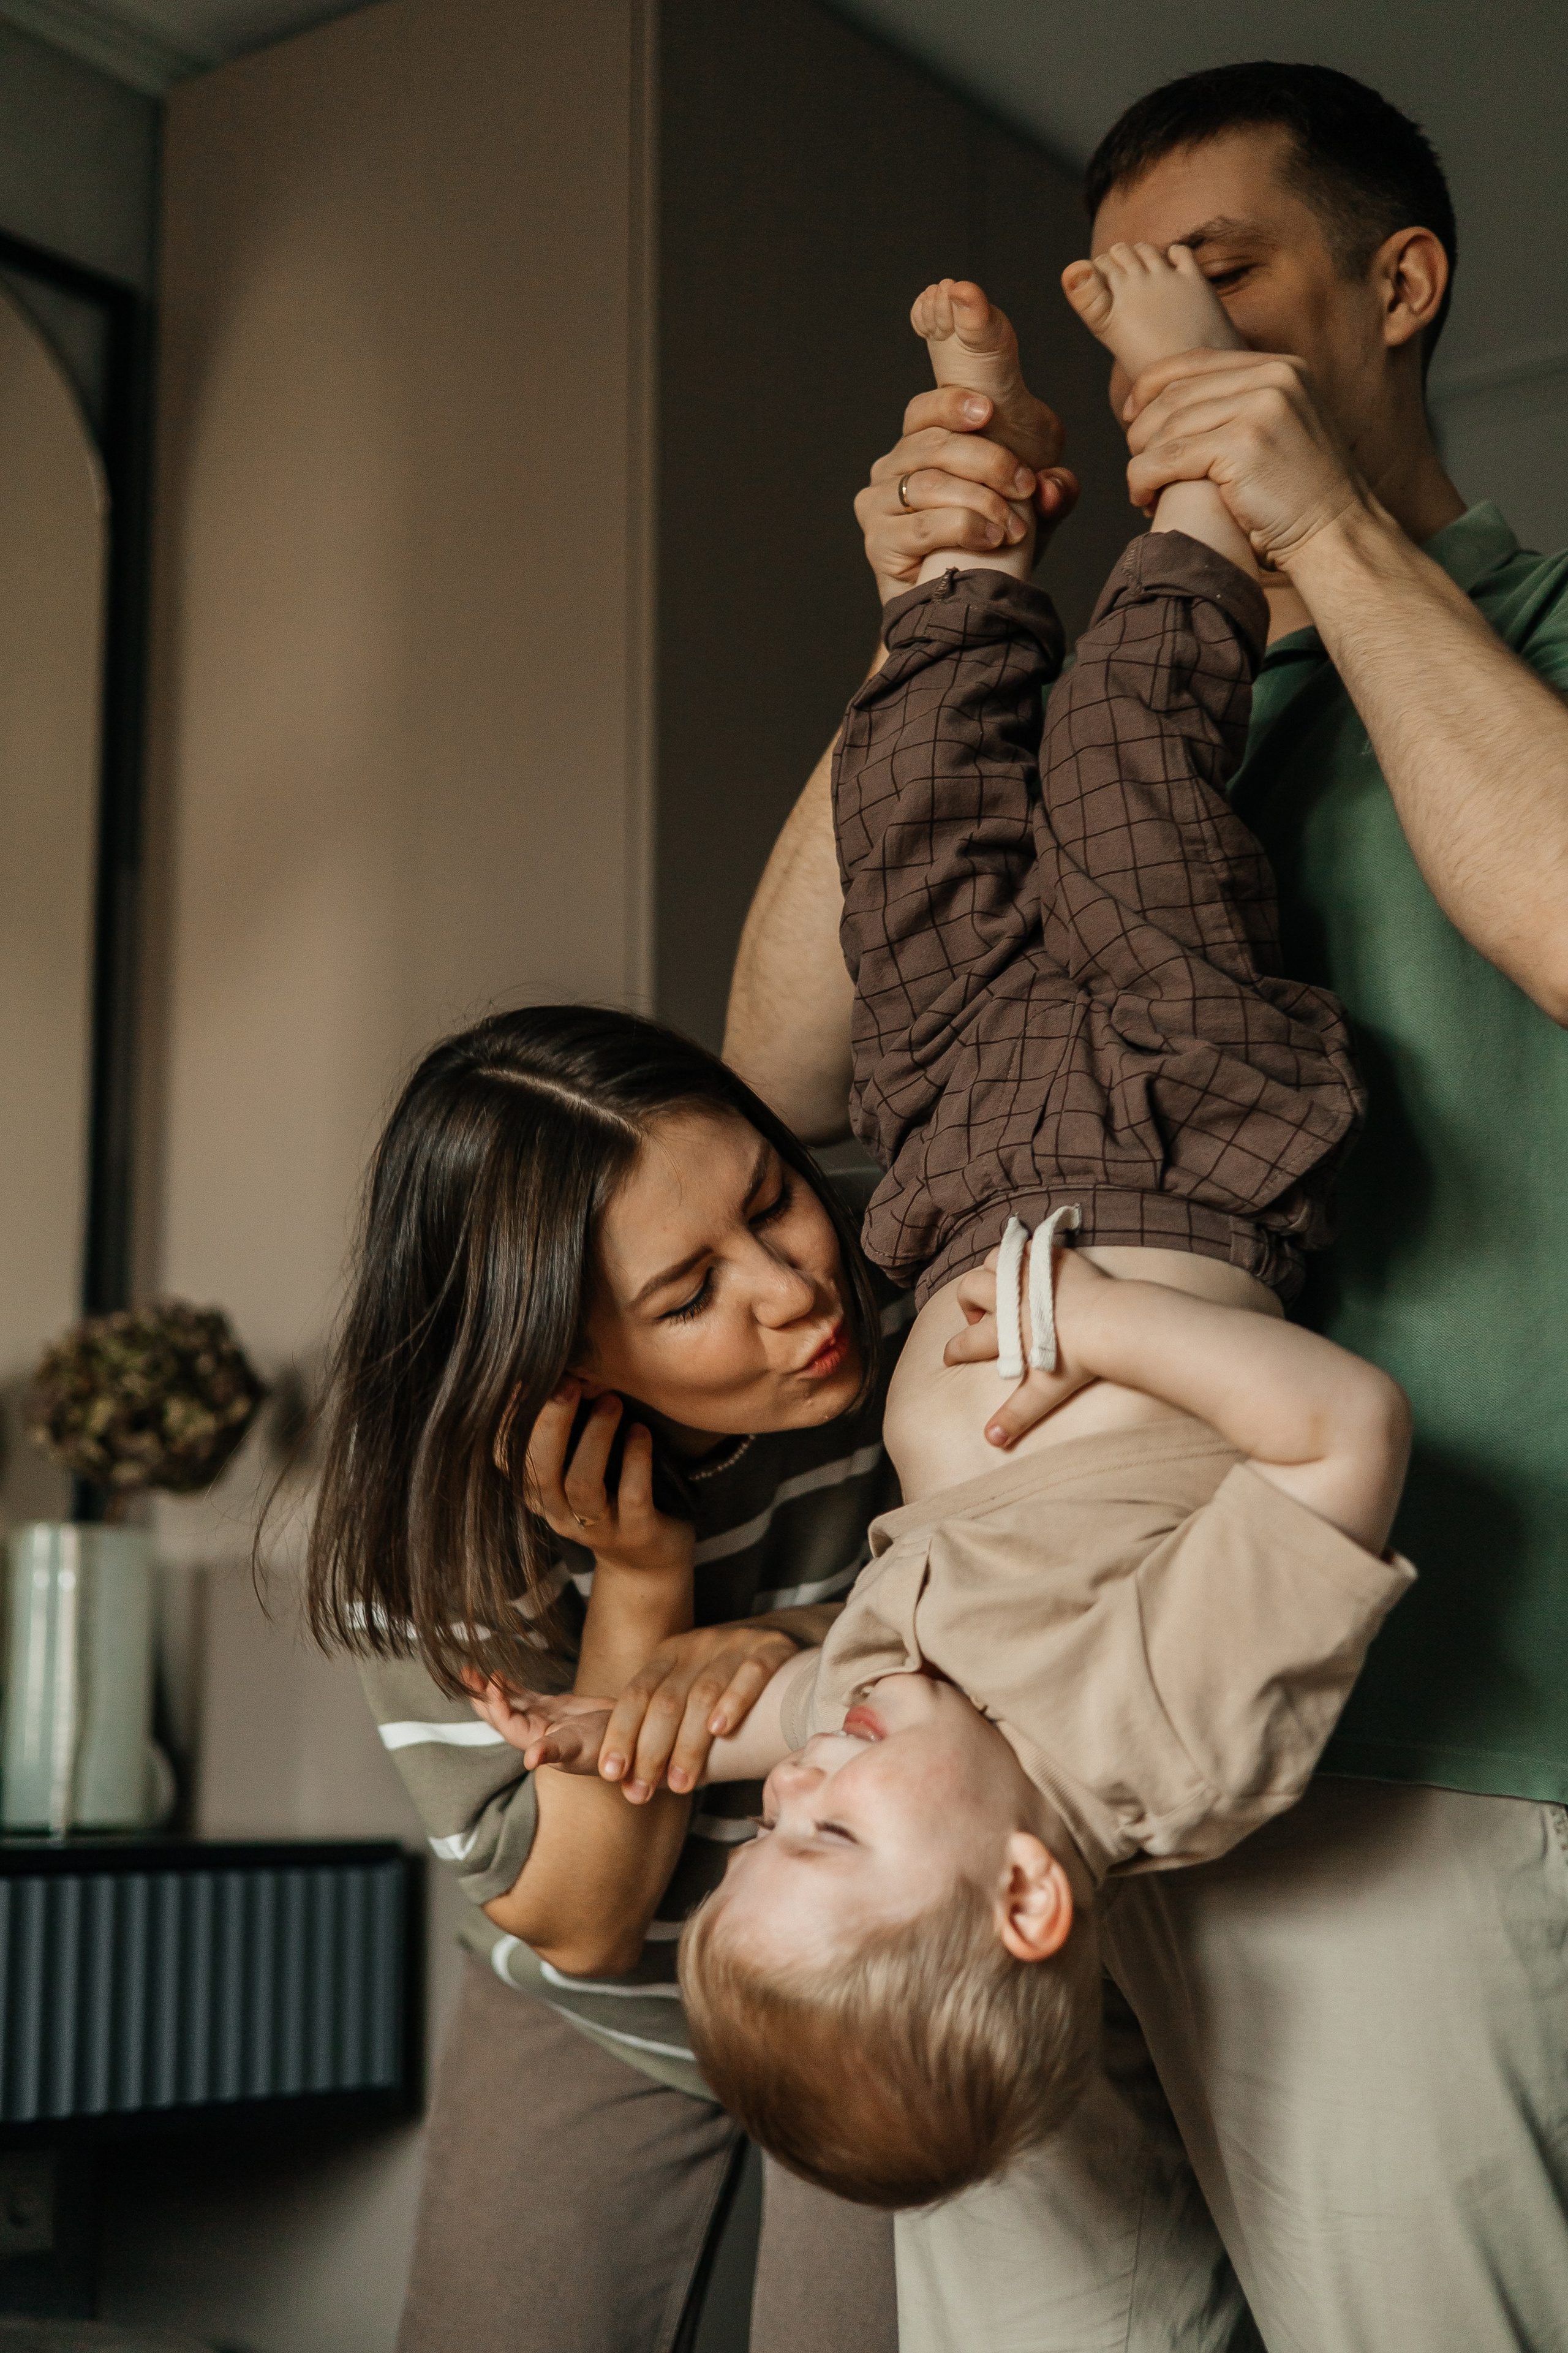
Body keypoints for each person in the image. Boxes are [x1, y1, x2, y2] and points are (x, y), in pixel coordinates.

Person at [724, 59, 1568, 2353]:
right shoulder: (1133, 693)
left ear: (1399, 290)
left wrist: (1323, 538)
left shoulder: (1540, 633)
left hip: (1435, 1749)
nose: (1164, 354)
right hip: (1005, 1826)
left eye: (1222, 283)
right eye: (1131, 323)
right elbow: (791, 1063)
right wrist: (923, 614)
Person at [485, 244, 1411, 2215]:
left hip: (951, 1165)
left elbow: (757, 1723)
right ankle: (1192, 477)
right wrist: (1078, 1315)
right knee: (1126, 776)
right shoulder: (1161, 1746)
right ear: (1021, 1884)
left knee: (913, 843)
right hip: (1180, 1144)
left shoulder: (903, 1722)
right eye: (829, 1840)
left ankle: (968, 532)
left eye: (779, 1833)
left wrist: (606, 1723)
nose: (801, 1791)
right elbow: (1344, 1438)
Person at [309, 1004, 907, 2353]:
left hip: (889, 1962)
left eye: (768, 1199)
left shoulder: (908, 1249)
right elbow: (578, 1918)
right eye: (688, 1294)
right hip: (602, 2002)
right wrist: (644, 1579)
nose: (791, 1289)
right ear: (555, 1361)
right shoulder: (417, 1527)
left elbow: (1062, 1580)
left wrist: (800, 1635)